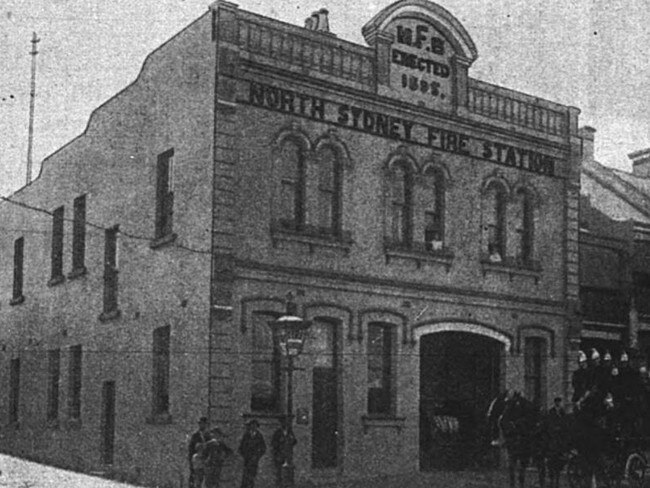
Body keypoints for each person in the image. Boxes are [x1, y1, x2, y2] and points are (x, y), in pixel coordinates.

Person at [546, 397, 568, 488]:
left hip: (561, 432)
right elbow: (550, 422)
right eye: (557, 402)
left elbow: (565, 421)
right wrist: (554, 428)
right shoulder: (551, 411)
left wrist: (562, 428)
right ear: (555, 403)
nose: (558, 403)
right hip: (553, 432)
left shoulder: (563, 411)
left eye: (559, 402)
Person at [238, 419, 266, 488]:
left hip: (254, 460)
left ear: (257, 427)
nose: (253, 427)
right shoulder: (246, 435)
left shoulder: (259, 436)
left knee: (252, 476)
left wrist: (257, 456)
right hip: (247, 459)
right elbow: (241, 447)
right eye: (252, 425)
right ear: (250, 426)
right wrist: (244, 455)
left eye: (255, 425)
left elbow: (263, 448)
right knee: (245, 476)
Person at [271, 417, 297, 488]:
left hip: (288, 454)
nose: (285, 424)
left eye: (287, 423)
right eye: (284, 423)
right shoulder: (278, 432)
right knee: (279, 472)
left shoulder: (290, 432)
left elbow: (295, 441)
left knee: (289, 471)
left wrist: (292, 440)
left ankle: (288, 485)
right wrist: (279, 442)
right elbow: (273, 443)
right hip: (280, 455)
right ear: (281, 423)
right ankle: (280, 485)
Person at [189, 417, 212, 488]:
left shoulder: (209, 436)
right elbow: (191, 449)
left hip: (207, 461)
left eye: (202, 424)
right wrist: (191, 461)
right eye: (200, 423)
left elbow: (211, 449)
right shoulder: (195, 436)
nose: (201, 425)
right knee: (196, 480)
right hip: (197, 461)